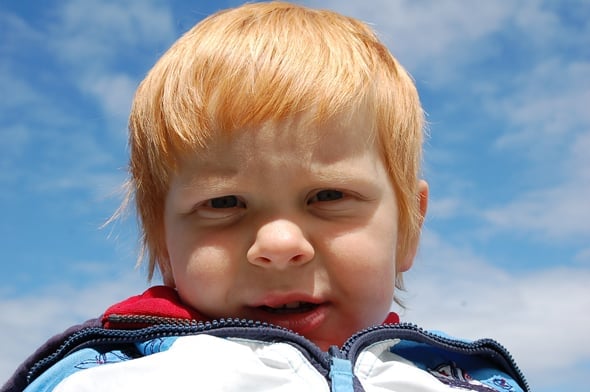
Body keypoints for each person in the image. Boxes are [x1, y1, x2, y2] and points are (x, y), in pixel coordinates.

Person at [3, 2, 529, 391]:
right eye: (224, 203)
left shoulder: (469, 381)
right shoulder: (113, 379)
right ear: (161, 236)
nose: (279, 243)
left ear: (409, 228)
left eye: (328, 195)